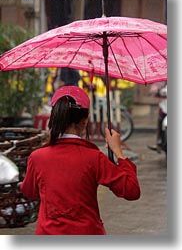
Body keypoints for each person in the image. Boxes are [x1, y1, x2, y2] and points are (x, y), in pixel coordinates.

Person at [21, 86, 140, 235]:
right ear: (85, 120)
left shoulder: (37, 157)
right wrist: (118, 151)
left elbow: (29, 192)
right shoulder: (94, 158)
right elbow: (132, 190)